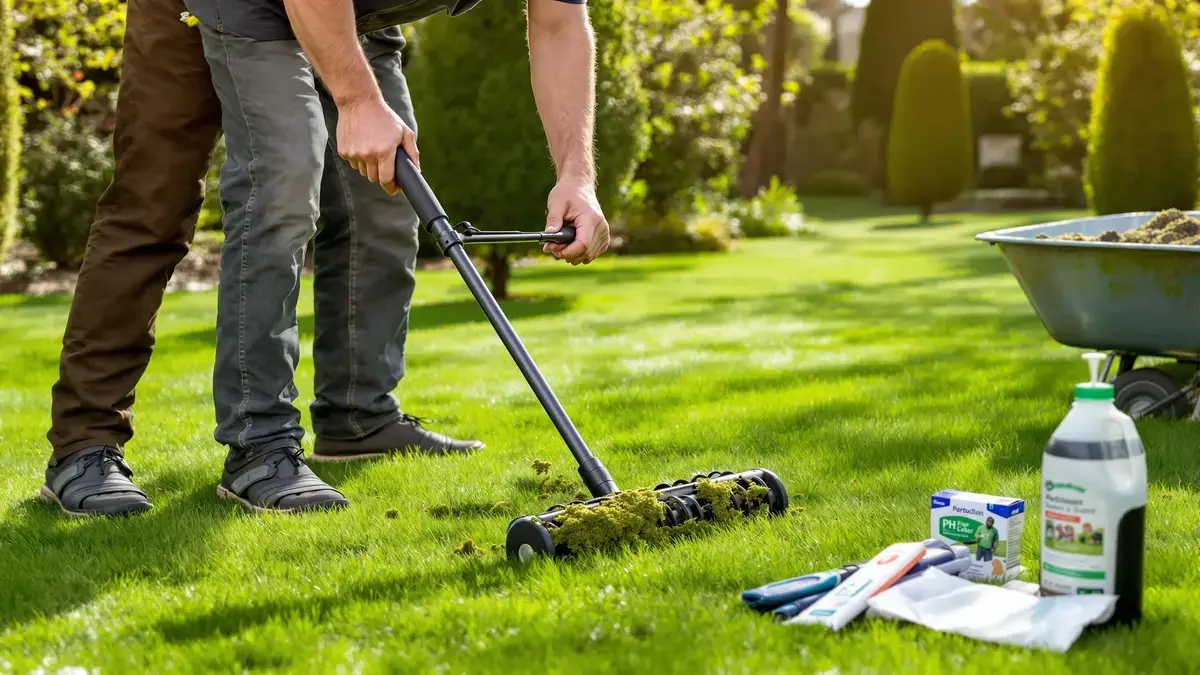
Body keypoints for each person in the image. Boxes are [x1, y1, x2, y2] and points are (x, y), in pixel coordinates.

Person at [39, 0, 608, 518]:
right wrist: (357, 101)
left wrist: (576, 177)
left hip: (350, 15)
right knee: (254, 186)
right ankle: (122, 443)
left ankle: (358, 416)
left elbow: (559, 24)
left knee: (386, 197)